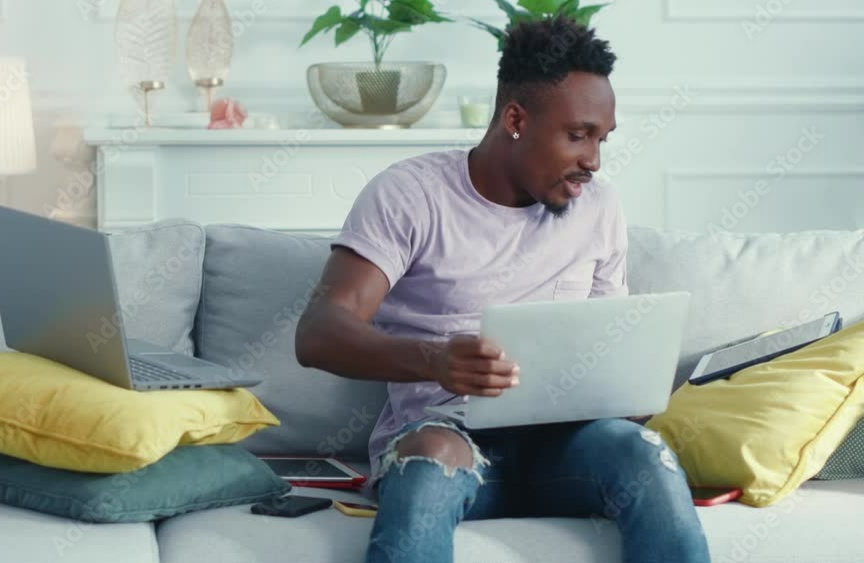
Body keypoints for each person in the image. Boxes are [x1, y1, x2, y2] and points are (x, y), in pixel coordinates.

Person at [294, 16, 711, 563]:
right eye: (578, 134)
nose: (594, 160)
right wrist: (432, 359)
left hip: (566, 449)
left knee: (643, 454)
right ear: (516, 119)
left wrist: (628, 393)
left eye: (602, 139)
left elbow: (610, 349)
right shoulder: (410, 194)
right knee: (431, 461)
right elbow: (319, 332)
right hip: (446, 434)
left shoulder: (600, 208)